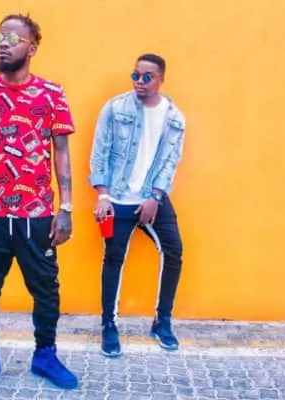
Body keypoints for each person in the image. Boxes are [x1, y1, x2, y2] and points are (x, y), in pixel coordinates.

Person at [0, 13, 78, 394]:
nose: (2, 45)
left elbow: (61, 152)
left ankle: (45, 355)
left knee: (46, 289)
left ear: (31, 48)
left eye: (12, 39)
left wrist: (66, 208)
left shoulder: (52, 94)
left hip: (37, 215)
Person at [89, 54, 186, 357]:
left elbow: (170, 162)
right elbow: (100, 151)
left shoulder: (174, 117)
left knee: (174, 251)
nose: (139, 82)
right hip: (118, 198)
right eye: (136, 75)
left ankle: (162, 321)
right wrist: (103, 195)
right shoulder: (115, 108)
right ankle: (109, 324)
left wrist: (155, 197)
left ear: (161, 79)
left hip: (152, 196)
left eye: (147, 77)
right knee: (113, 258)